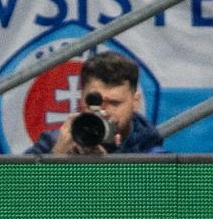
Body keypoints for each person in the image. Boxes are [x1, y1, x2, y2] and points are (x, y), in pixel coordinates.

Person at [25, 52, 163, 155]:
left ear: (135, 102)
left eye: (114, 103)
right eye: (94, 102)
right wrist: (56, 156)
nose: (104, 111)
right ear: (81, 97)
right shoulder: (55, 141)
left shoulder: (149, 151)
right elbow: (11, 189)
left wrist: (105, 171)